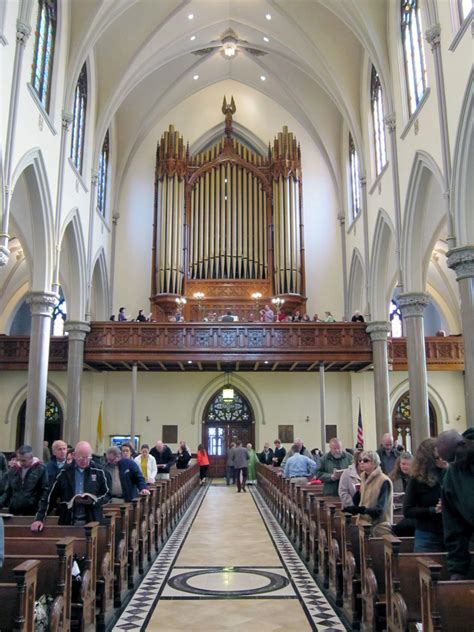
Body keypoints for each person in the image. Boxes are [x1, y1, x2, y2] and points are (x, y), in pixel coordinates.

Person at [31, 441, 111, 530]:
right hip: (68, 520)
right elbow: (49, 496)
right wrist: (39, 519)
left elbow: (107, 494)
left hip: (92, 520)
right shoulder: (63, 472)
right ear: (74, 455)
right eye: (81, 458)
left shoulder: (99, 471)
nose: (84, 461)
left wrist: (94, 500)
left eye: (87, 457)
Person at [437, 430, 474, 580]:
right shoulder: (452, 476)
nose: (454, 462)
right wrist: (457, 568)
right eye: (449, 460)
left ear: (463, 444)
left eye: (455, 456)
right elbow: (454, 526)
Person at [403, 438, 448, 552]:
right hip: (427, 535)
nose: (443, 459)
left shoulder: (451, 474)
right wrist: (433, 510)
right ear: (429, 460)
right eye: (438, 457)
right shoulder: (417, 479)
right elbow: (408, 510)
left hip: (450, 533)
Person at [344, 450, 393, 536]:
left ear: (374, 463)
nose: (362, 462)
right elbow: (361, 501)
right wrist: (357, 496)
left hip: (379, 527)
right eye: (360, 460)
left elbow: (380, 510)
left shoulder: (383, 481)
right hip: (363, 525)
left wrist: (361, 510)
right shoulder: (364, 477)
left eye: (365, 460)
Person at [0, 445, 49, 517]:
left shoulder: (41, 469)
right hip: (14, 509)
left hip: (32, 511)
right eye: (19, 460)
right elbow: (8, 491)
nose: (21, 463)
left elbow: (44, 491)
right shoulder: (13, 470)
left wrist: (41, 510)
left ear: (31, 458)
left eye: (24, 460)